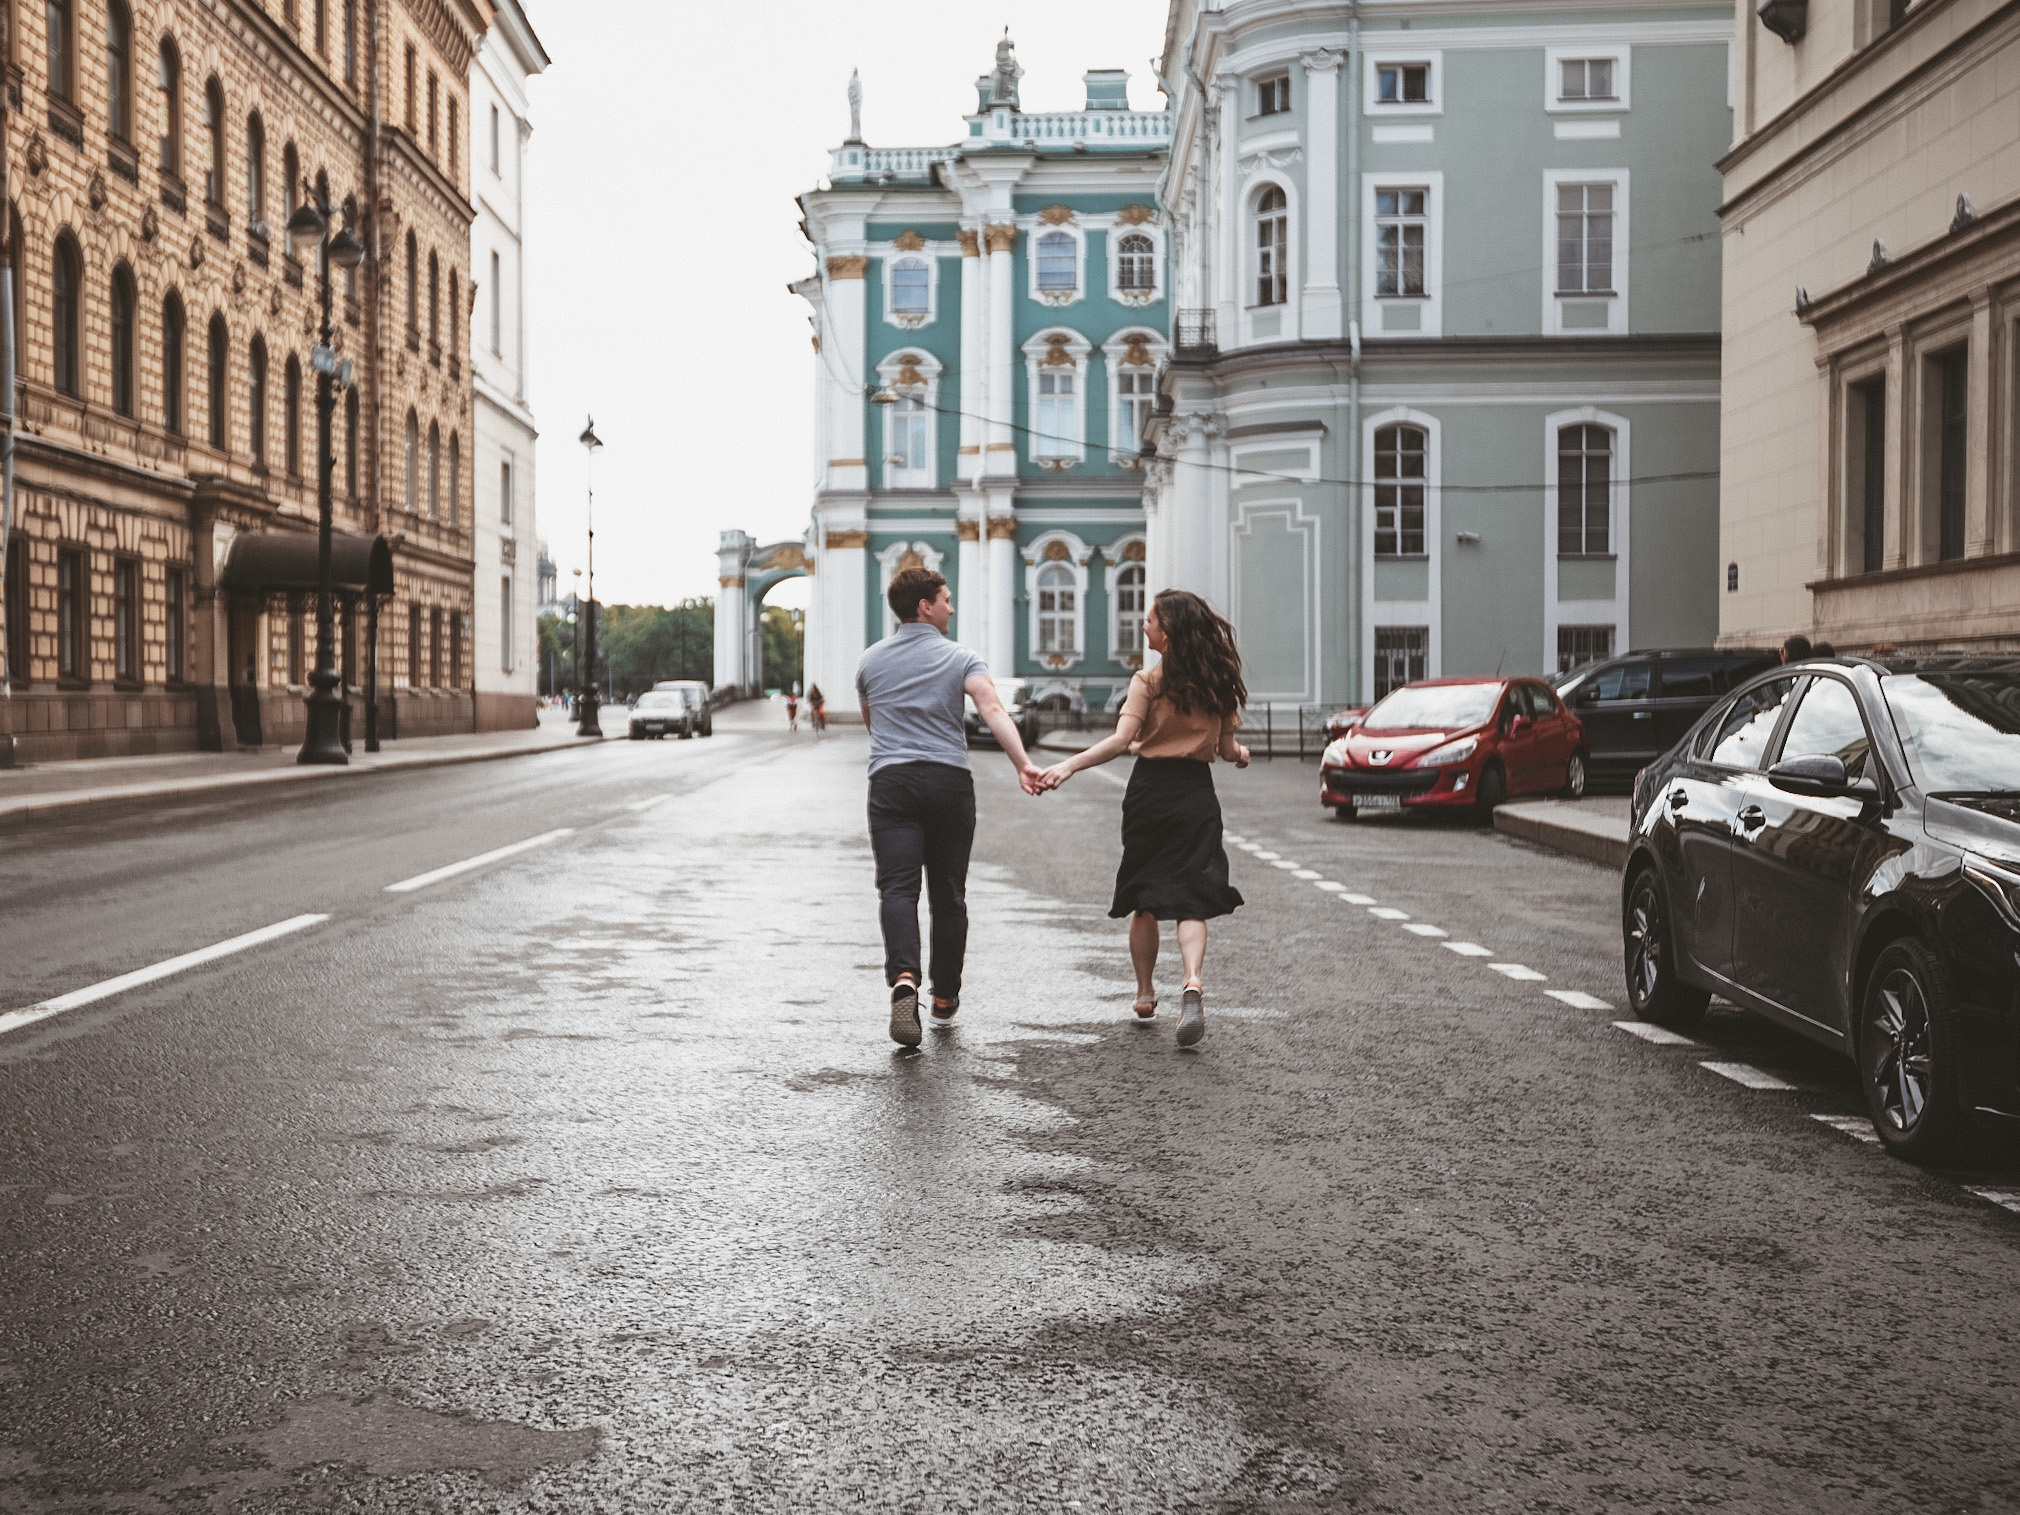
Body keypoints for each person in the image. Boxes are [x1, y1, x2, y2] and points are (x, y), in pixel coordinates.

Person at [1040, 589, 1249, 1049]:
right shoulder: (1220, 681)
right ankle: (1192, 982)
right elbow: (1227, 749)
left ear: (1168, 634)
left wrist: (1068, 765)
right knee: (1194, 898)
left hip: (1150, 793)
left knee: (1146, 895)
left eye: (1151, 620)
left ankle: (1144, 992)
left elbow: (1119, 742)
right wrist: (1241, 755)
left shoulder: (1148, 681)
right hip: (1196, 793)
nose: (1145, 626)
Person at [857, 567, 1045, 1047]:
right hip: (948, 781)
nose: (951, 607)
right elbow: (994, 710)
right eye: (945, 599)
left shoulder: (870, 662)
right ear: (925, 606)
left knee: (897, 889)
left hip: (891, 780)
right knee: (948, 892)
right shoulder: (961, 657)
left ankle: (904, 978)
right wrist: (1023, 764)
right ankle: (944, 996)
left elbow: (873, 726)